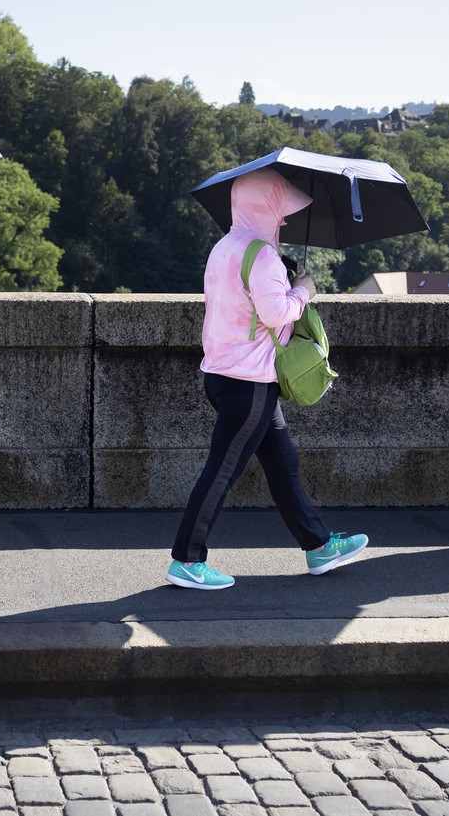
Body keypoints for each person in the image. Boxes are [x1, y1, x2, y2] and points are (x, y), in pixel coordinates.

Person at [166, 168, 368, 590]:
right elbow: (277, 313)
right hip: (250, 382)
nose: (284, 220)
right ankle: (186, 560)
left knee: (283, 464)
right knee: (222, 471)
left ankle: (317, 546)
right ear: (265, 207)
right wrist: (304, 291)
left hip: (224, 372)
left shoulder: (225, 246)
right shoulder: (262, 255)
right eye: (280, 210)